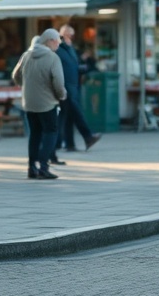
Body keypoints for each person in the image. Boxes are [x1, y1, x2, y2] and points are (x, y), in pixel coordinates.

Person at [12, 29, 66, 180]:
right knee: (51, 132)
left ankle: (31, 167)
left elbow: (15, 76)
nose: (58, 45)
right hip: (47, 102)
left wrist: (27, 85)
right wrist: (61, 96)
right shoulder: (52, 57)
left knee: (34, 134)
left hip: (29, 102)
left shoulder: (27, 55)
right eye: (57, 41)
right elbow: (59, 83)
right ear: (49, 40)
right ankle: (43, 166)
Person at [57, 23, 102, 153]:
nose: (71, 37)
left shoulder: (70, 48)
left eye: (72, 34)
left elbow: (73, 64)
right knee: (76, 112)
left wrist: (81, 68)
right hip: (66, 87)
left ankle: (68, 144)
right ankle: (88, 136)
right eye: (69, 34)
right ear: (64, 34)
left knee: (68, 116)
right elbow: (64, 67)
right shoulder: (60, 48)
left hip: (74, 85)